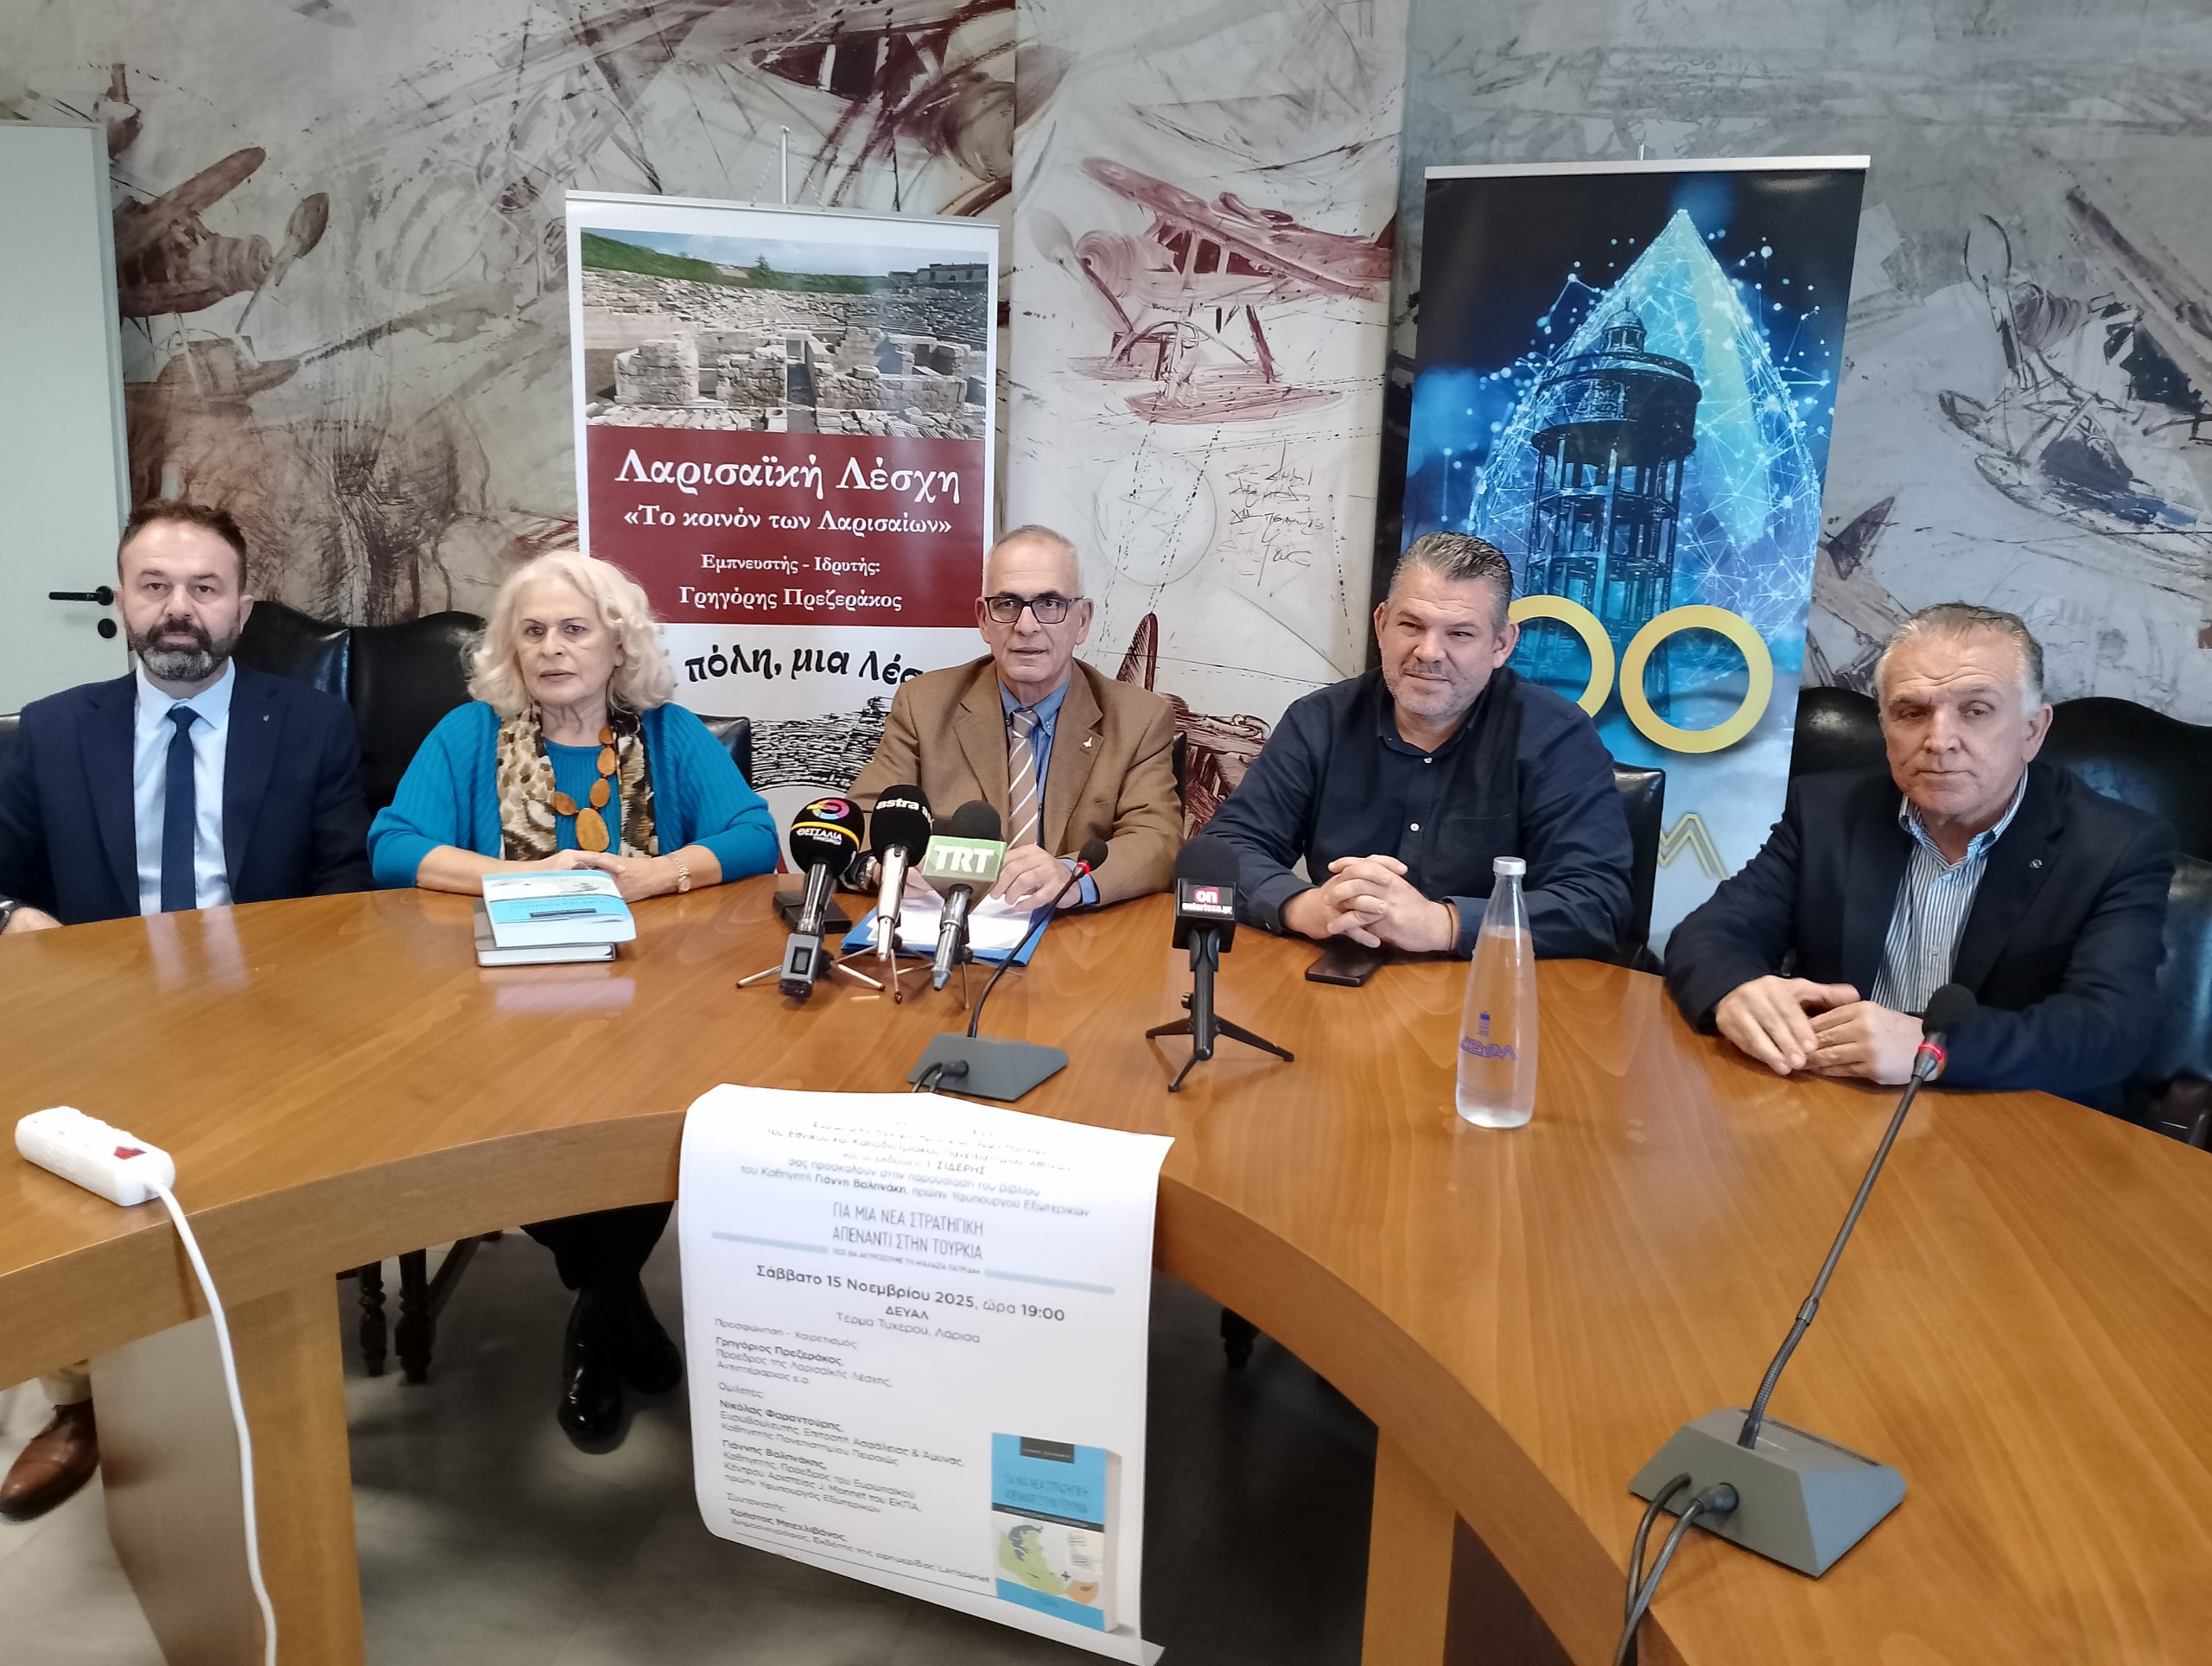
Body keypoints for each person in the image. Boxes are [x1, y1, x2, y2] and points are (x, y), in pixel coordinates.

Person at [0, 498, 372, 1523]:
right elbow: (2, 879)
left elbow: (346, 893)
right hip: (97, 1020)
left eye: (205, 588)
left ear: (243, 608)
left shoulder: (311, 723)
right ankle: (81, 1393)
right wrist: (18, 918)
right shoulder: (51, 728)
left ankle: (262, 1382)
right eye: (155, 585)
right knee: (56, 1173)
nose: (178, 608)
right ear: (122, 598)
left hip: (268, 1016)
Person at [369, 550, 776, 1447]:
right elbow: (394, 846)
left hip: (650, 1011)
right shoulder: (469, 735)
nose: (553, 648)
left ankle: (599, 1307)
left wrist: (657, 874)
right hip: (501, 1014)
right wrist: (519, 877)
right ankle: (611, 1304)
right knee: (518, 1123)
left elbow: (754, 834)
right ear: (512, 649)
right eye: (534, 631)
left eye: (574, 629)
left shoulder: (668, 736)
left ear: (617, 642)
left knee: (655, 1115)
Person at [1665, 603, 2177, 1110]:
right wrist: (1735, 990)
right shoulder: (1824, 810)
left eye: (1976, 711)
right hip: (1831, 1101)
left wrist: (1934, 1049)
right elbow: (1711, 933)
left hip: (2008, 1118)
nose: (1939, 741)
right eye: (1912, 712)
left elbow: (2111, 1029)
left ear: (2032, 730)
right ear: (1884, 727)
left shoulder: (2117, 847)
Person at [1205, 532, 1630, 960]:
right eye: (1411, 625)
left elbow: (1598, 903)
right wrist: (1304, 907)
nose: (1428, 652)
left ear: (1501, 644)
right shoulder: (1319, 720)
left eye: (1459, 634)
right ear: (1381, 625)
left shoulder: (1556, 736)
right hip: (1342, 976)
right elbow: (1224, 848)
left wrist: (1443, 924)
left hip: (1489, 984)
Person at [848, 525, 1181, 907]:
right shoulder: (924, 705)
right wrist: (883, 866)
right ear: (983, 619)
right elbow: (864, 818)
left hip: (1074, 929)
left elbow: (1157, 840)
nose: (1026, 626)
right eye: (1007, 604)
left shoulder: (1139, 719)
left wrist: (1070, 877)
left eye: (1050, 604)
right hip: (943, 920)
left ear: (1083, 620)